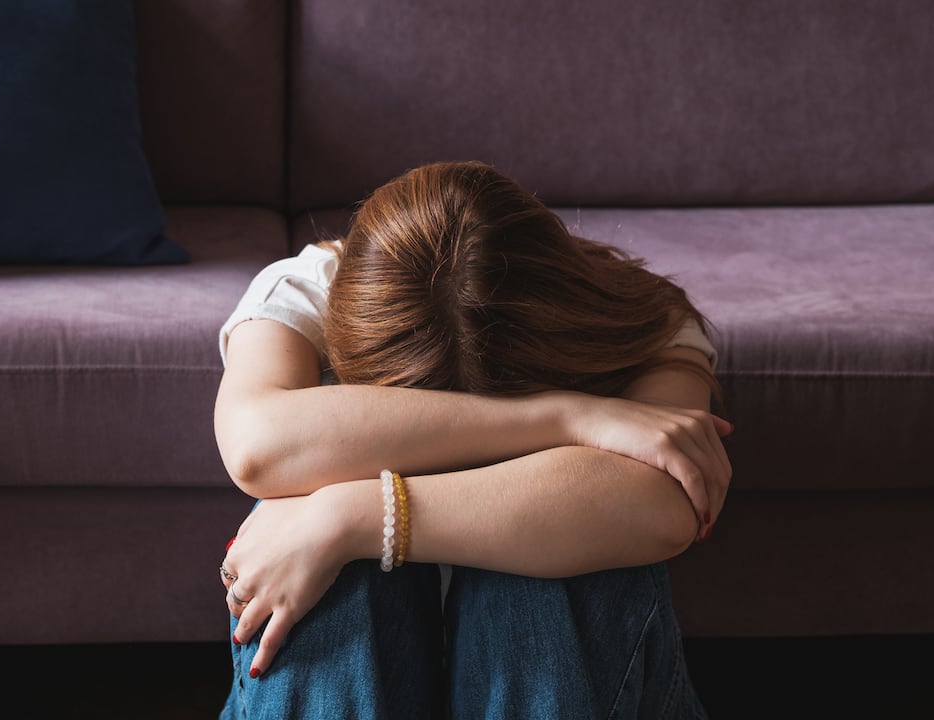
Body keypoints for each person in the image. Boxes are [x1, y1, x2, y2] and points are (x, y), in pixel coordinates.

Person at [214, 161, 732, 718]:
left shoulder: (639, 320)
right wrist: (566, 417)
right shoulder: (311, 288)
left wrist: (351, 516)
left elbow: (665, 502)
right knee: (339, 576)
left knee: (560, 560)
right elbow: (257, 445)